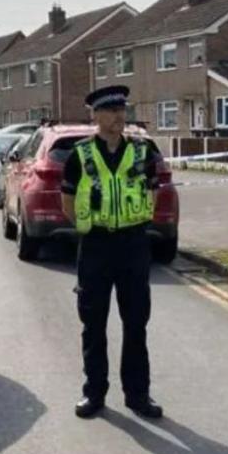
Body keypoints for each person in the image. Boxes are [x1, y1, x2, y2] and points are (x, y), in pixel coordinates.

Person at [61, 85, 163, 420]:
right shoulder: (80, 155)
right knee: (93, 324)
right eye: (110, 110)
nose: (119, 116)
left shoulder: (143, 150)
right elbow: (67, 202)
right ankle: (94, 394)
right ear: (96, 116)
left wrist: (135, 221)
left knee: (136, 324)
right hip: (97, 247)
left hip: (133, 245)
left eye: (122, 110)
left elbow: (153, 192)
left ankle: (138, 395)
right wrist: (91, 226)